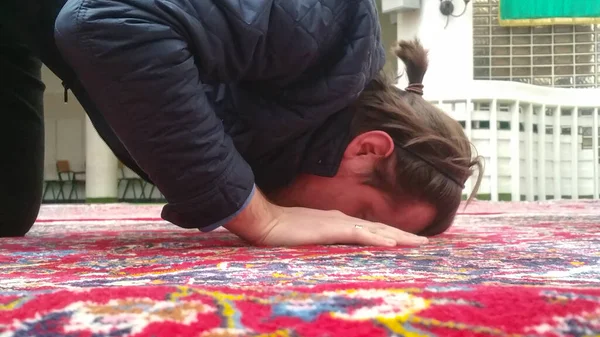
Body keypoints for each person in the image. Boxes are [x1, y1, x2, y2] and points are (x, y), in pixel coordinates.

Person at [0, 0, 482, 245]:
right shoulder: (321, 26)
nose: (347, 231)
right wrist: (261, 217)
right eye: (362, 218)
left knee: (6, 214)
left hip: (21, 28)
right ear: (368, 150)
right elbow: (100, 21)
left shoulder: (286, 142)